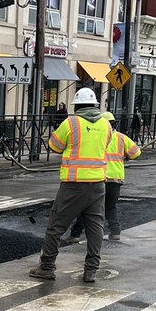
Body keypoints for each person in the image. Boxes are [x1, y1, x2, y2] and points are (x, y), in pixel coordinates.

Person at [29, 87, 112, 285]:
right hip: (98, 185)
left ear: (77, 106)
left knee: (56, 226)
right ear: (94, 105)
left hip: (73, 185)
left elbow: (54, 145)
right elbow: (104, 147)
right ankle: (91, 270)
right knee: (95, 228)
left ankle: (47, 267)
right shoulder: (106, 125)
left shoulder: (71, 122)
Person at [64, 112, 141, 243]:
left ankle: (76, 234)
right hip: (115, 179)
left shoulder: (96, 137)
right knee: (110, 206)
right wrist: (126, 156)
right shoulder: (121, 138)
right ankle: (115, 231)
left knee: (86, 208)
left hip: (99, 177)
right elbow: (136, 153)